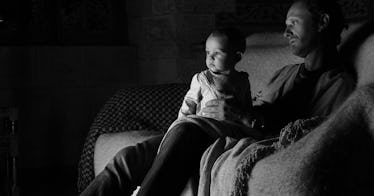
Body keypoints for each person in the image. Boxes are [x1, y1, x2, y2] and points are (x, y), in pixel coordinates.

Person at [197, 0, 356, 195]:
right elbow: (257, 106)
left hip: (256, 140)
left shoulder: (339, 84)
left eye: (293, 23)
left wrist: (243, 116)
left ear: (322, 22)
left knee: (187, 133)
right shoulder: (284, 73)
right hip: (228, 130)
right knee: (184, 130)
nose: (285, 32)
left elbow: (312, 139)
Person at [80, 27, 259, 196]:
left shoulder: (242, 81)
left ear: (236, 56)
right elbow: (188, 106)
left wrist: (243, 118)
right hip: (197, 126)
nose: (210, 58)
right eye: (207, 53)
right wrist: (176, 128)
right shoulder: (203, 79)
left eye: (217, 53)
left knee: (177, 144)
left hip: (217, 134)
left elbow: (248, 110)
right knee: (129, 157)